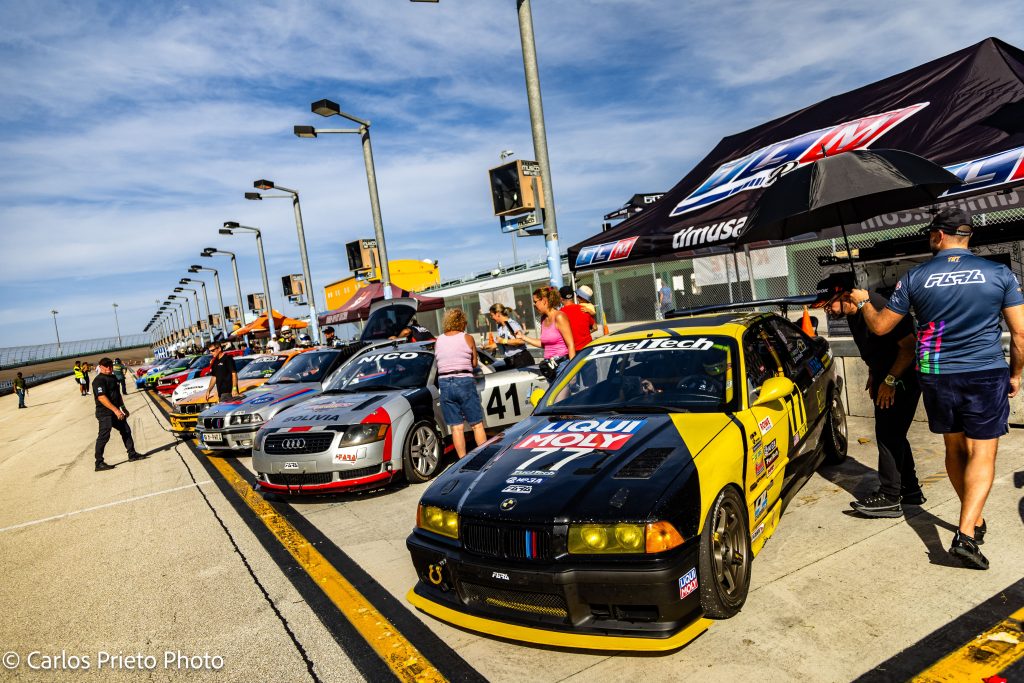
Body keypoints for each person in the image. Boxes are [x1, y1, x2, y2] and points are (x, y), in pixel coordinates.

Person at [850, 208, 1024, 570]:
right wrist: (1016, 374)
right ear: (968, 236)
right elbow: (1020, 333)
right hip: (984, 371)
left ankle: (974, 520)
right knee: (983, 452)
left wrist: (864, 301)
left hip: (936, 373)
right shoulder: (999, 273)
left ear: (937, 236)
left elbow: (881, 327)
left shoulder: (915, 276)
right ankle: (965, 532)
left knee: (954, 447)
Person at [821, 274, 923, 517]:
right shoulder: (853, 313)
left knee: (888, 435)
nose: (827, 310)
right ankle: (910, 489)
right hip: (885, 376)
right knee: (894, 434)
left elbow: (909, 347)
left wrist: (889, 380)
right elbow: (876, 346)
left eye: (829, 303)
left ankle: (889, 497)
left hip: (902, 378)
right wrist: (873, 373)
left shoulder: (877, 306)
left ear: (846, 295)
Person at [435, 308, 487, 458]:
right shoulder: (467, 338)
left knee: (456, 428)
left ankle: (462, 461)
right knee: (477, 425)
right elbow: (474, 363)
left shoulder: (439, 340)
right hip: (464, 381)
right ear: (462, 322)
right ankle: (484, 458)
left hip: (444, 382)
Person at [93, 357, 146, 471]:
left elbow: (118, 394)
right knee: (104, 436)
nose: (109, 368)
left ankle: (132, 454)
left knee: (126, 430)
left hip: (116, 411)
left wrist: (123, 408)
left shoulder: (113, 378)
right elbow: (102, 398)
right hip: (105, 413)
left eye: (110, 365)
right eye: (106, 366)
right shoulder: (98, 380)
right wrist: (116, 411)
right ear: (100, 367)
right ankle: (99, 463)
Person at [516, 286, 575, 361]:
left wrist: (572, 366)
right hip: (549, 363)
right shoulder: (543, 318)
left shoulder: (559, 316)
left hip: (562, 363)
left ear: (544, 300)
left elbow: (571, 345)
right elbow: (543, 344)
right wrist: (523, 337)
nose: (534, 305)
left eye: (535, 302)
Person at [485, 303, 533, 368]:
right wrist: (486, 347)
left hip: (521, 359)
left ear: (498, 314)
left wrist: (503, 341)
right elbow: (501, 342)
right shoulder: (500, 327)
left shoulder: (511, 324)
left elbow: (521, 341)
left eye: (492, 315)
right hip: (510, 360)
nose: (491, 318)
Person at [559, 285, 597, 352]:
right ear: (573, 296)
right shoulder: (585, 309)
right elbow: (595, 327)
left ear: (561, 298)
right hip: (588, 348)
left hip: (572, 351)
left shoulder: (559, 314)